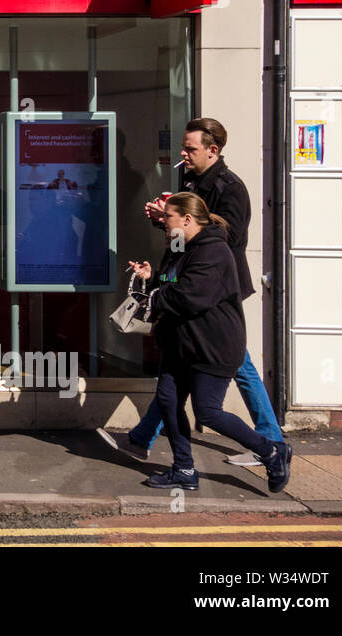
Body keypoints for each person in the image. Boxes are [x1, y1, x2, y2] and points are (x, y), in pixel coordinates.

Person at [100, 117, 283, 467]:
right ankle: (144, 439)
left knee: (236, 366)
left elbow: (225, 244)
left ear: (213, 150)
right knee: (179, 369)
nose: (183, 154)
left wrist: (179, 222)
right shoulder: (191, 179)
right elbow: (186, 244)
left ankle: (270, 441)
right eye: (184, 148)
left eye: (190, 148)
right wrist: (166, 221)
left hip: (213, 289)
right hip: (190, 283)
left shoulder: (231, 188)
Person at [127, 193, 292, 492]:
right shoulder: (181, 244)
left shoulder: (214, 252)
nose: (163, 223)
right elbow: (170, 280)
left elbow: (191, 296)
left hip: (212, 345)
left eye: (169, 218)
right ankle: (184, 469)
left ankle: (271, 450)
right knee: (168, 400)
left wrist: (155, 297)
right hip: (181, 342)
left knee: (208, 412)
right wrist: (152, 278)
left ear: (187, 220)